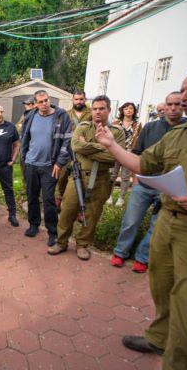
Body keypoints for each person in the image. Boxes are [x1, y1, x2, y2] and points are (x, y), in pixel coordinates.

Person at [95, 68, 187, 369]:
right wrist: (112, 145)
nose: (183, 97)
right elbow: (143, 164)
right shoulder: (177, 134)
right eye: (182, 90)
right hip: (168, 223)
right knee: (162, 288)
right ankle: (160, 338)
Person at [110, 92, 187, 273]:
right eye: (170, 104)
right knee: (130, 221)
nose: (173, 108)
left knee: (157, 226)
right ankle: (120, 252)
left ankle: (142, 257)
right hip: (144, 184)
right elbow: (138, 152)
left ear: (184, 106)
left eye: (178, 104)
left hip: (170, 189)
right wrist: (136, 178)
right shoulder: (151, 128)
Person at [49, 95, 125, 260]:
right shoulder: (83, 127)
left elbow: (115, 157)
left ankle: (82, 245)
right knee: (67, 210)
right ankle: (61, 242)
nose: (97, 112)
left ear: (109, 110)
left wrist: (88, 148)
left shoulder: (117, 132)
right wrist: (103, 146)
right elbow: (75, 146)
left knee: (92, 214)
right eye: (95, 109)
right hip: (78, 176)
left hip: (101, 179)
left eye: (101, 109)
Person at [21, 89, 72, 244]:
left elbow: (67, 141)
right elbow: (24, 137)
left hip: (50, 166)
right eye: (40, 102)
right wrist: (24, 158)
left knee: (48, 199)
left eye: (46, 100)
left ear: (49, 100)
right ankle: (34, 225)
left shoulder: (61, 116)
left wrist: (59, 162)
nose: (44, 104)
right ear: (35, 104)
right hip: (31, 163)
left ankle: (52, 232)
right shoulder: (30, 116)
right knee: (32, 196)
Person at [55, 90, 92, 209]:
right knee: (62, 175)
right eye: (76, 99)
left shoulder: (91, 114)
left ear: (85, 99)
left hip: (84, 151)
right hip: (68, 150)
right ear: (72, 100)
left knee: (82, 177)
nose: (79, 101)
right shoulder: (66, 114)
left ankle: (81, 206)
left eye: (81, 99)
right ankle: (60, 198)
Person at [107, 102, 142, 206]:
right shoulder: (115, 123)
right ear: (122, 110)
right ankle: (109, 196)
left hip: (129, 153)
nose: (128, 110)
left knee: (125, 176)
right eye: (126, 108)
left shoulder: (137, 124)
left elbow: (139, 138)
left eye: (131, 108)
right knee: (112, 175)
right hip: (116, 151)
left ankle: (121, 198)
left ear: (134, 111)